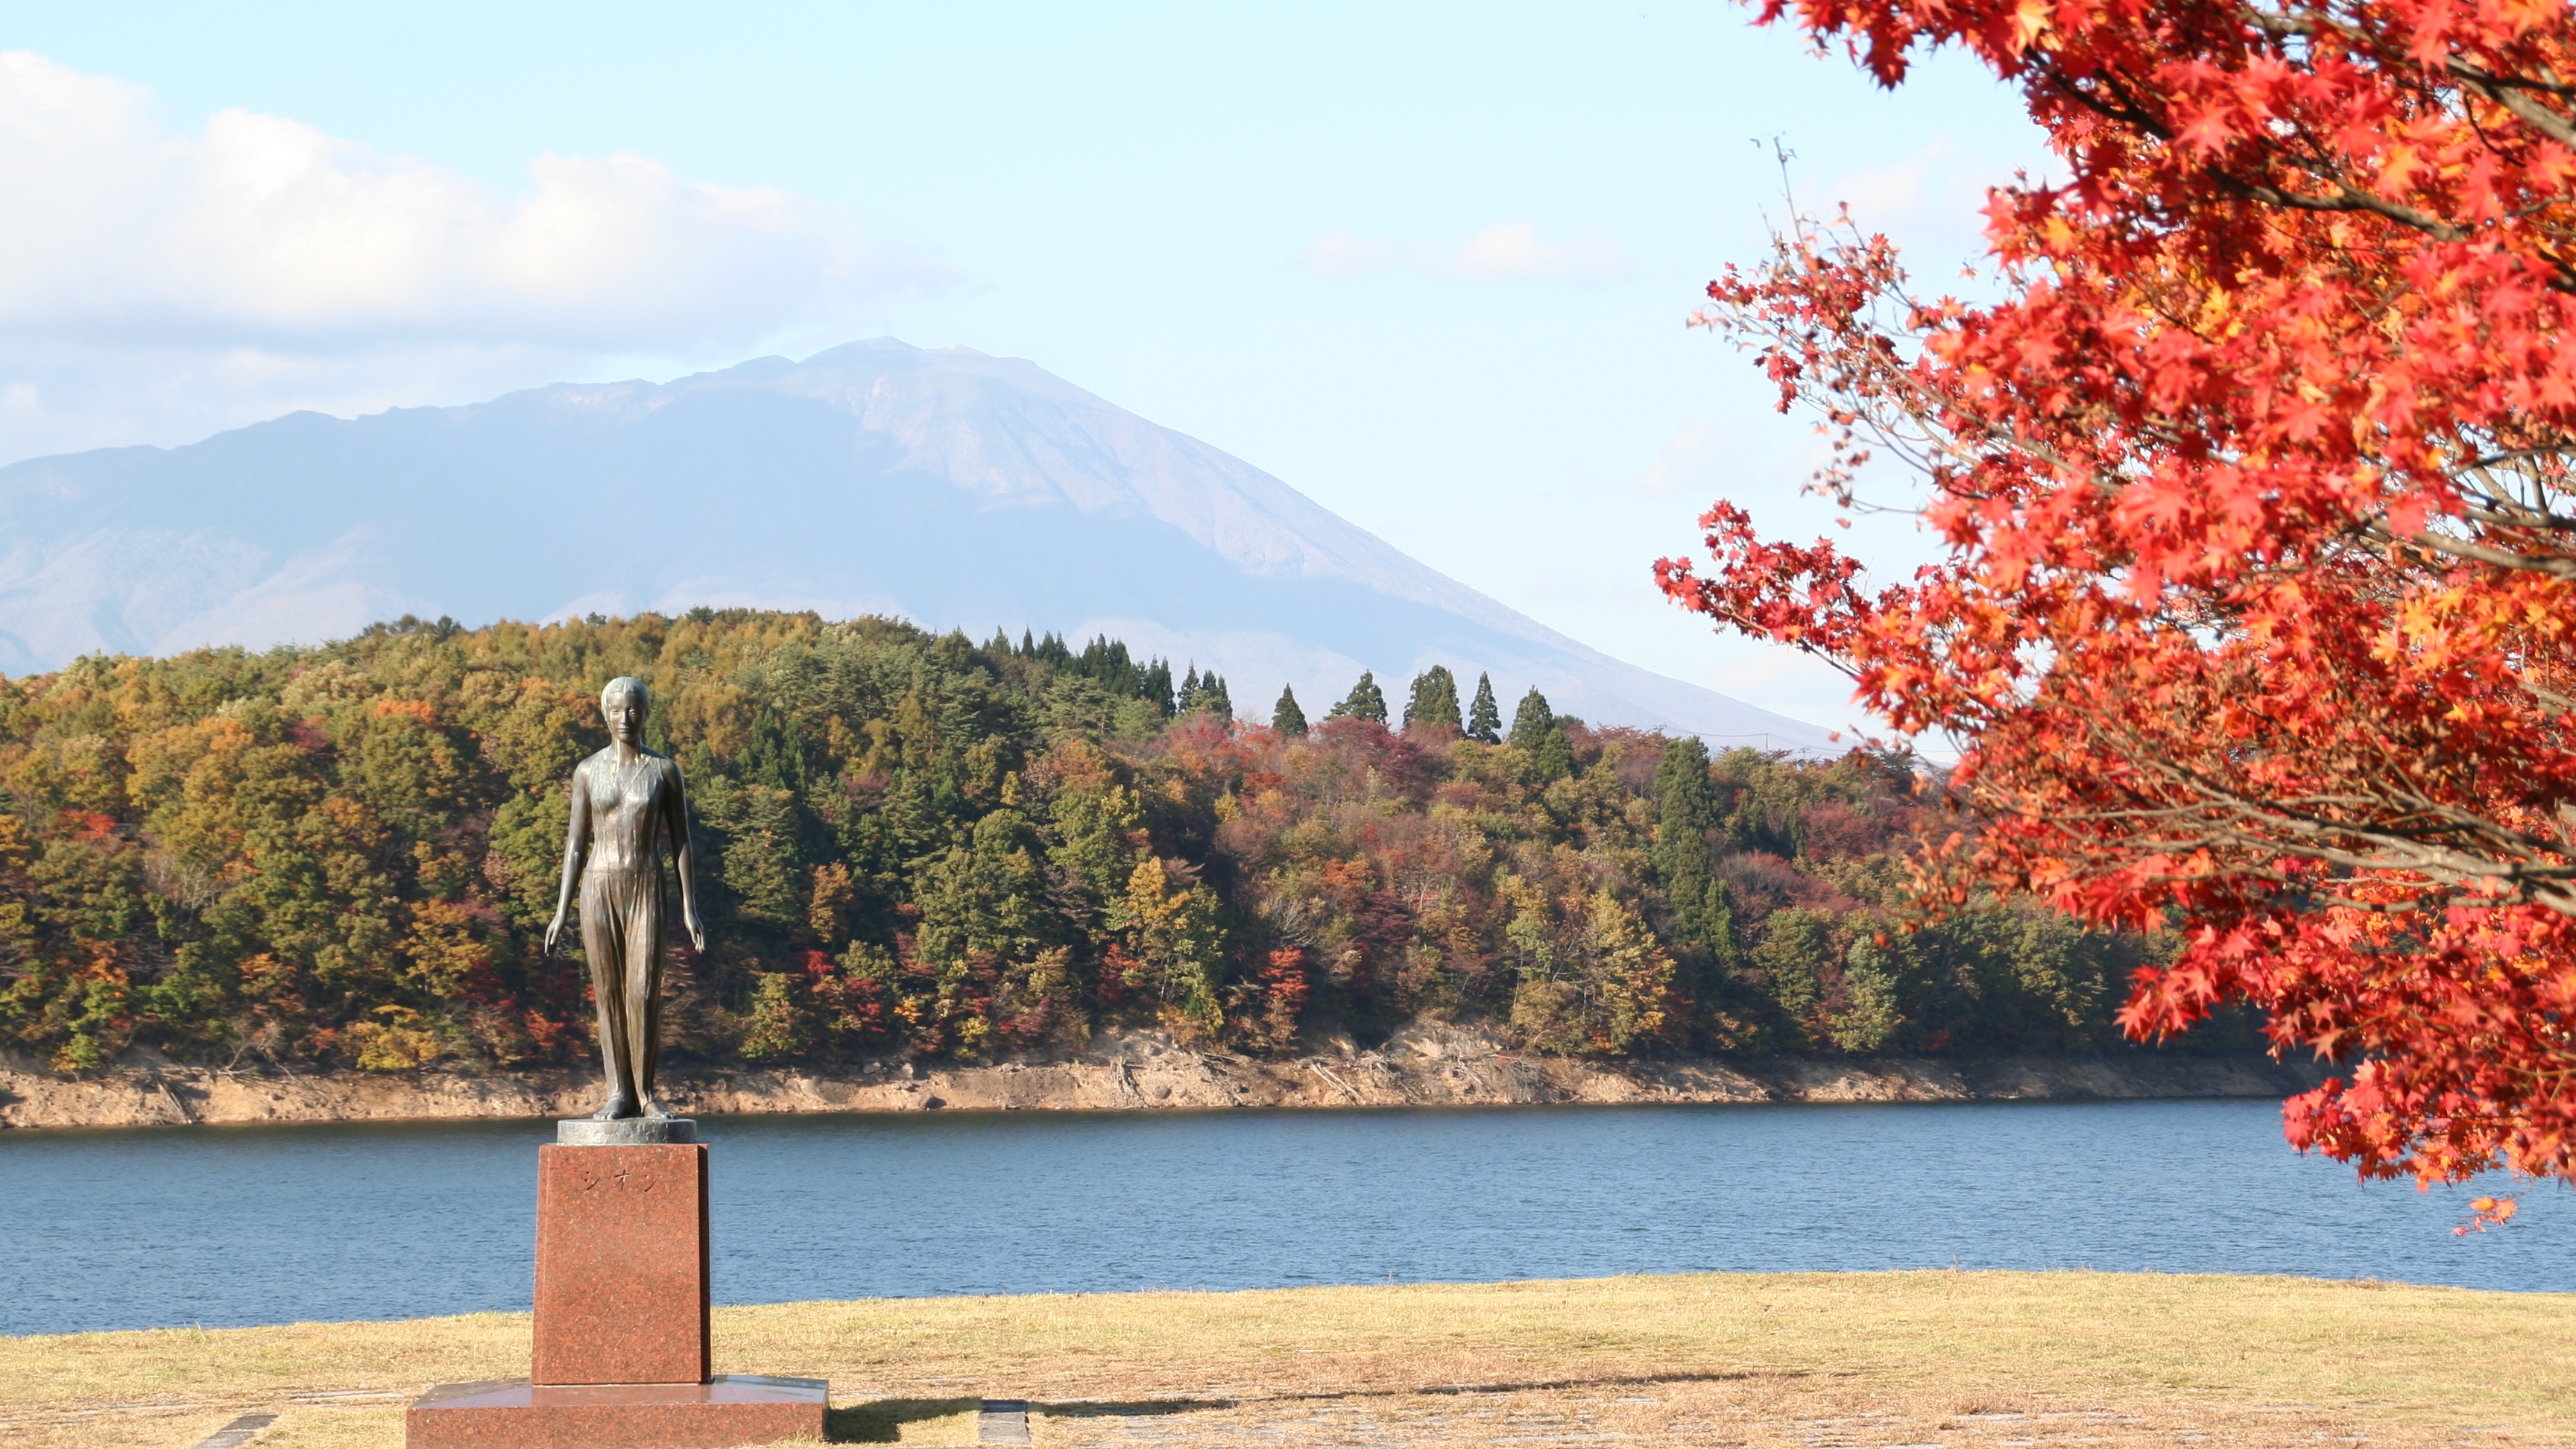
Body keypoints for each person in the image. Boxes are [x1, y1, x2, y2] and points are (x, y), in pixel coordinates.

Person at [544, 676, 707, 1120]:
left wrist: (690, 907)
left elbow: (682, 842)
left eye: (633, 709)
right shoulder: (587, 770)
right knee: (610, 993)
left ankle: (646, 1094)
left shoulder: (664, 770)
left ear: (646, 713)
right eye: (615, 710)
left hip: (646, 884)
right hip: (599, 886)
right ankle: (618, 1092)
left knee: (644, 991)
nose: (624, 718)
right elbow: (576, 843)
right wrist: (561, 911)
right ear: (604, 714)